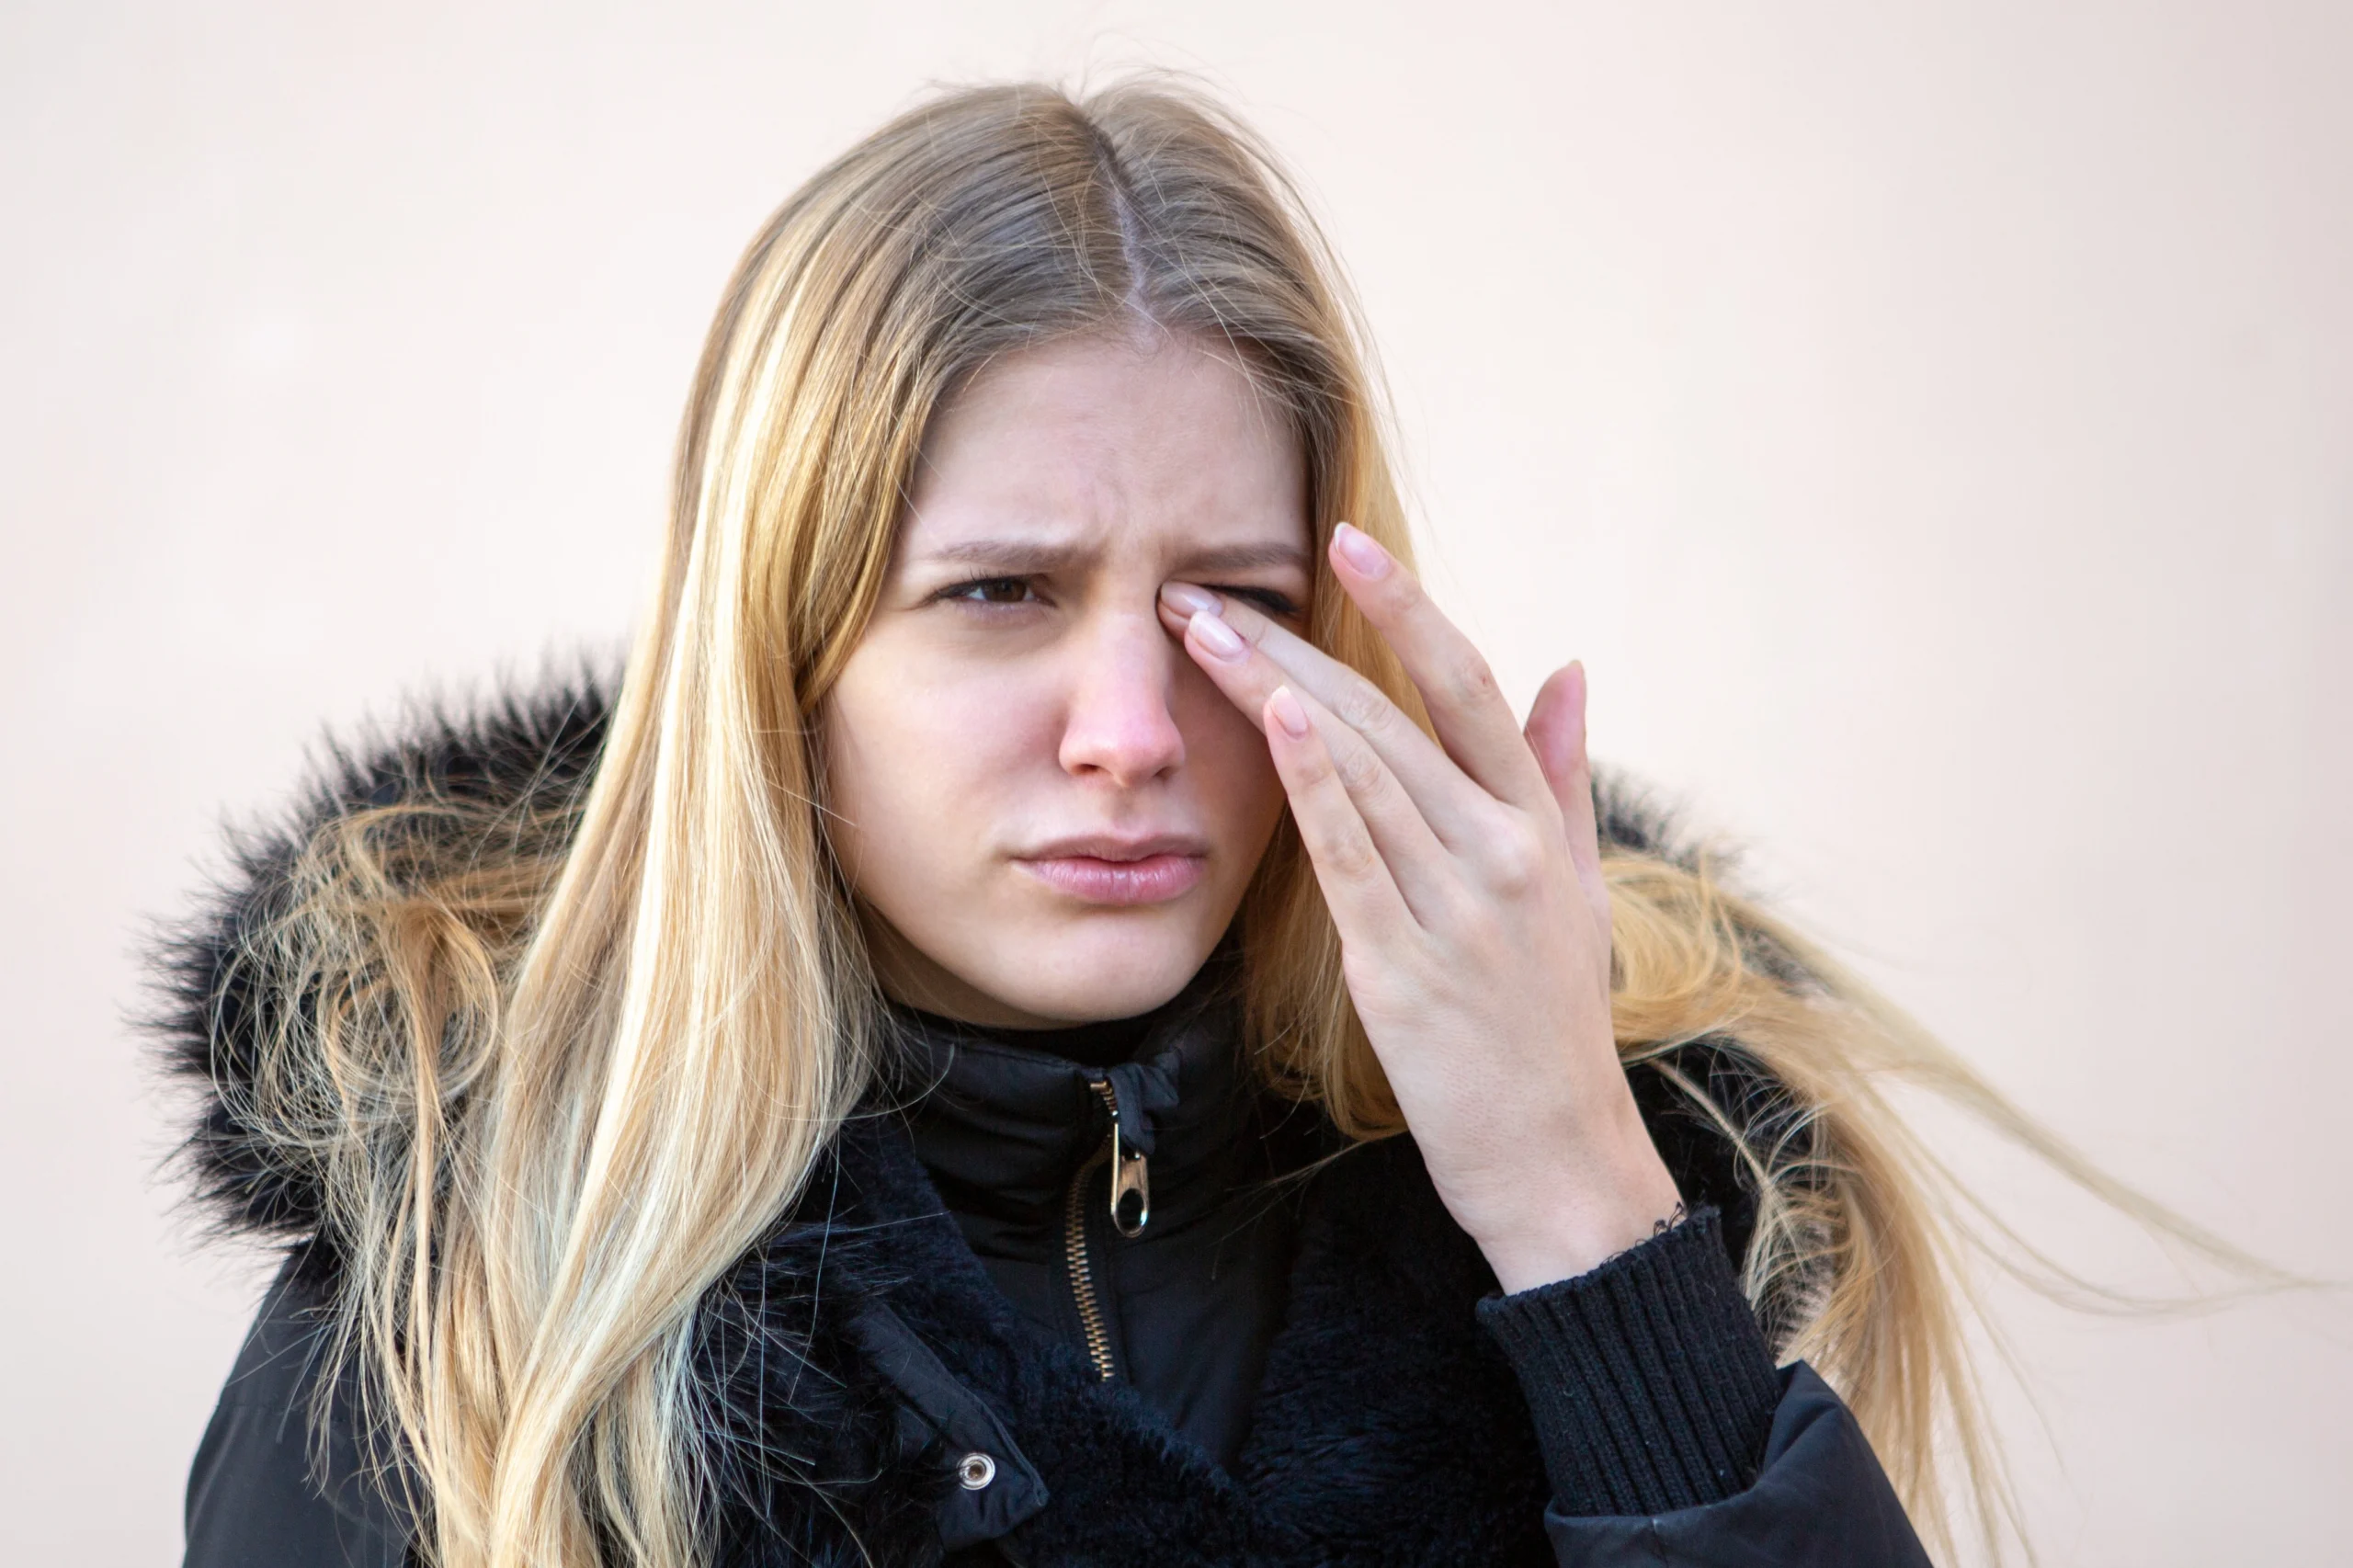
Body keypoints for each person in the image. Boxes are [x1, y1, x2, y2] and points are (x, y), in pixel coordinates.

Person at [162, 77, 2072, 1567]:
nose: (1130, 733)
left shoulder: (1647, 1176)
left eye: (1221, 605)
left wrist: (1574, 1195)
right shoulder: (471, 1317)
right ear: (783, 650)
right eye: (999, 593)